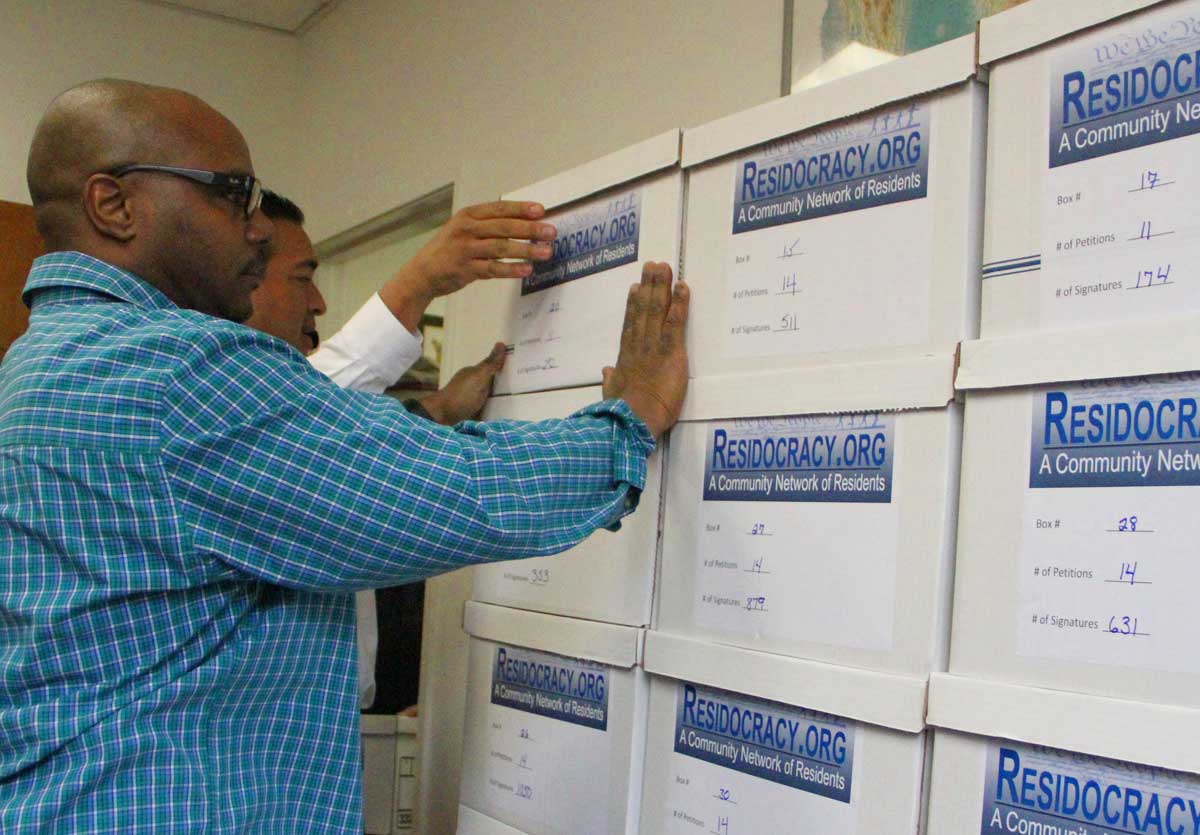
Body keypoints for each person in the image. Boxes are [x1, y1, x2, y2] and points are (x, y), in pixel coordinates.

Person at [0, 78, 689, 833]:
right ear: (114, 204)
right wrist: (627, 422)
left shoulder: (39, 366)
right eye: (233, 194)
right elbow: (452, 490)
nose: (258, 229)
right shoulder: (171, 370)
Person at [245, 189, 510, 709]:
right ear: (241, 277)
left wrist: (438, 410)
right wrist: (423, 278)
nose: (319, 302)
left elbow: (326, 423)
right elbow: (312, 405)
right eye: (302, 276)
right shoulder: (222, 406)